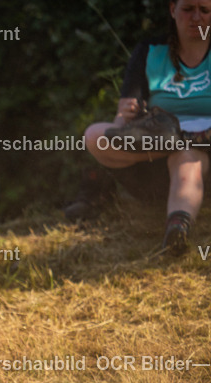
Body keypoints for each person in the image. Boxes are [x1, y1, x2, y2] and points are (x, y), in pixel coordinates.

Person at [83, 1, 211, 255]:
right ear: (172, 9)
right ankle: (181, 140)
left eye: (205, 10)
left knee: (187, 157)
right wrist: (128, 116)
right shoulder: (149, 50)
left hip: (204, 157)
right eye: (188, 9)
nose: (197, 17)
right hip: (155, 152)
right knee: (95, 135)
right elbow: (120, 122)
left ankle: (178, 227)